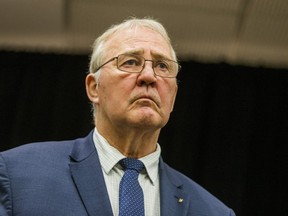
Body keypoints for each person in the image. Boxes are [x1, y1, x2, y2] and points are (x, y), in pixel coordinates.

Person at [0, 17, 235, 216]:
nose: (149, 76)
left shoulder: (213, 211)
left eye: (163, 66)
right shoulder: (18, 175)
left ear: (173, 96)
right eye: (131, 62)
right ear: (94, 88)